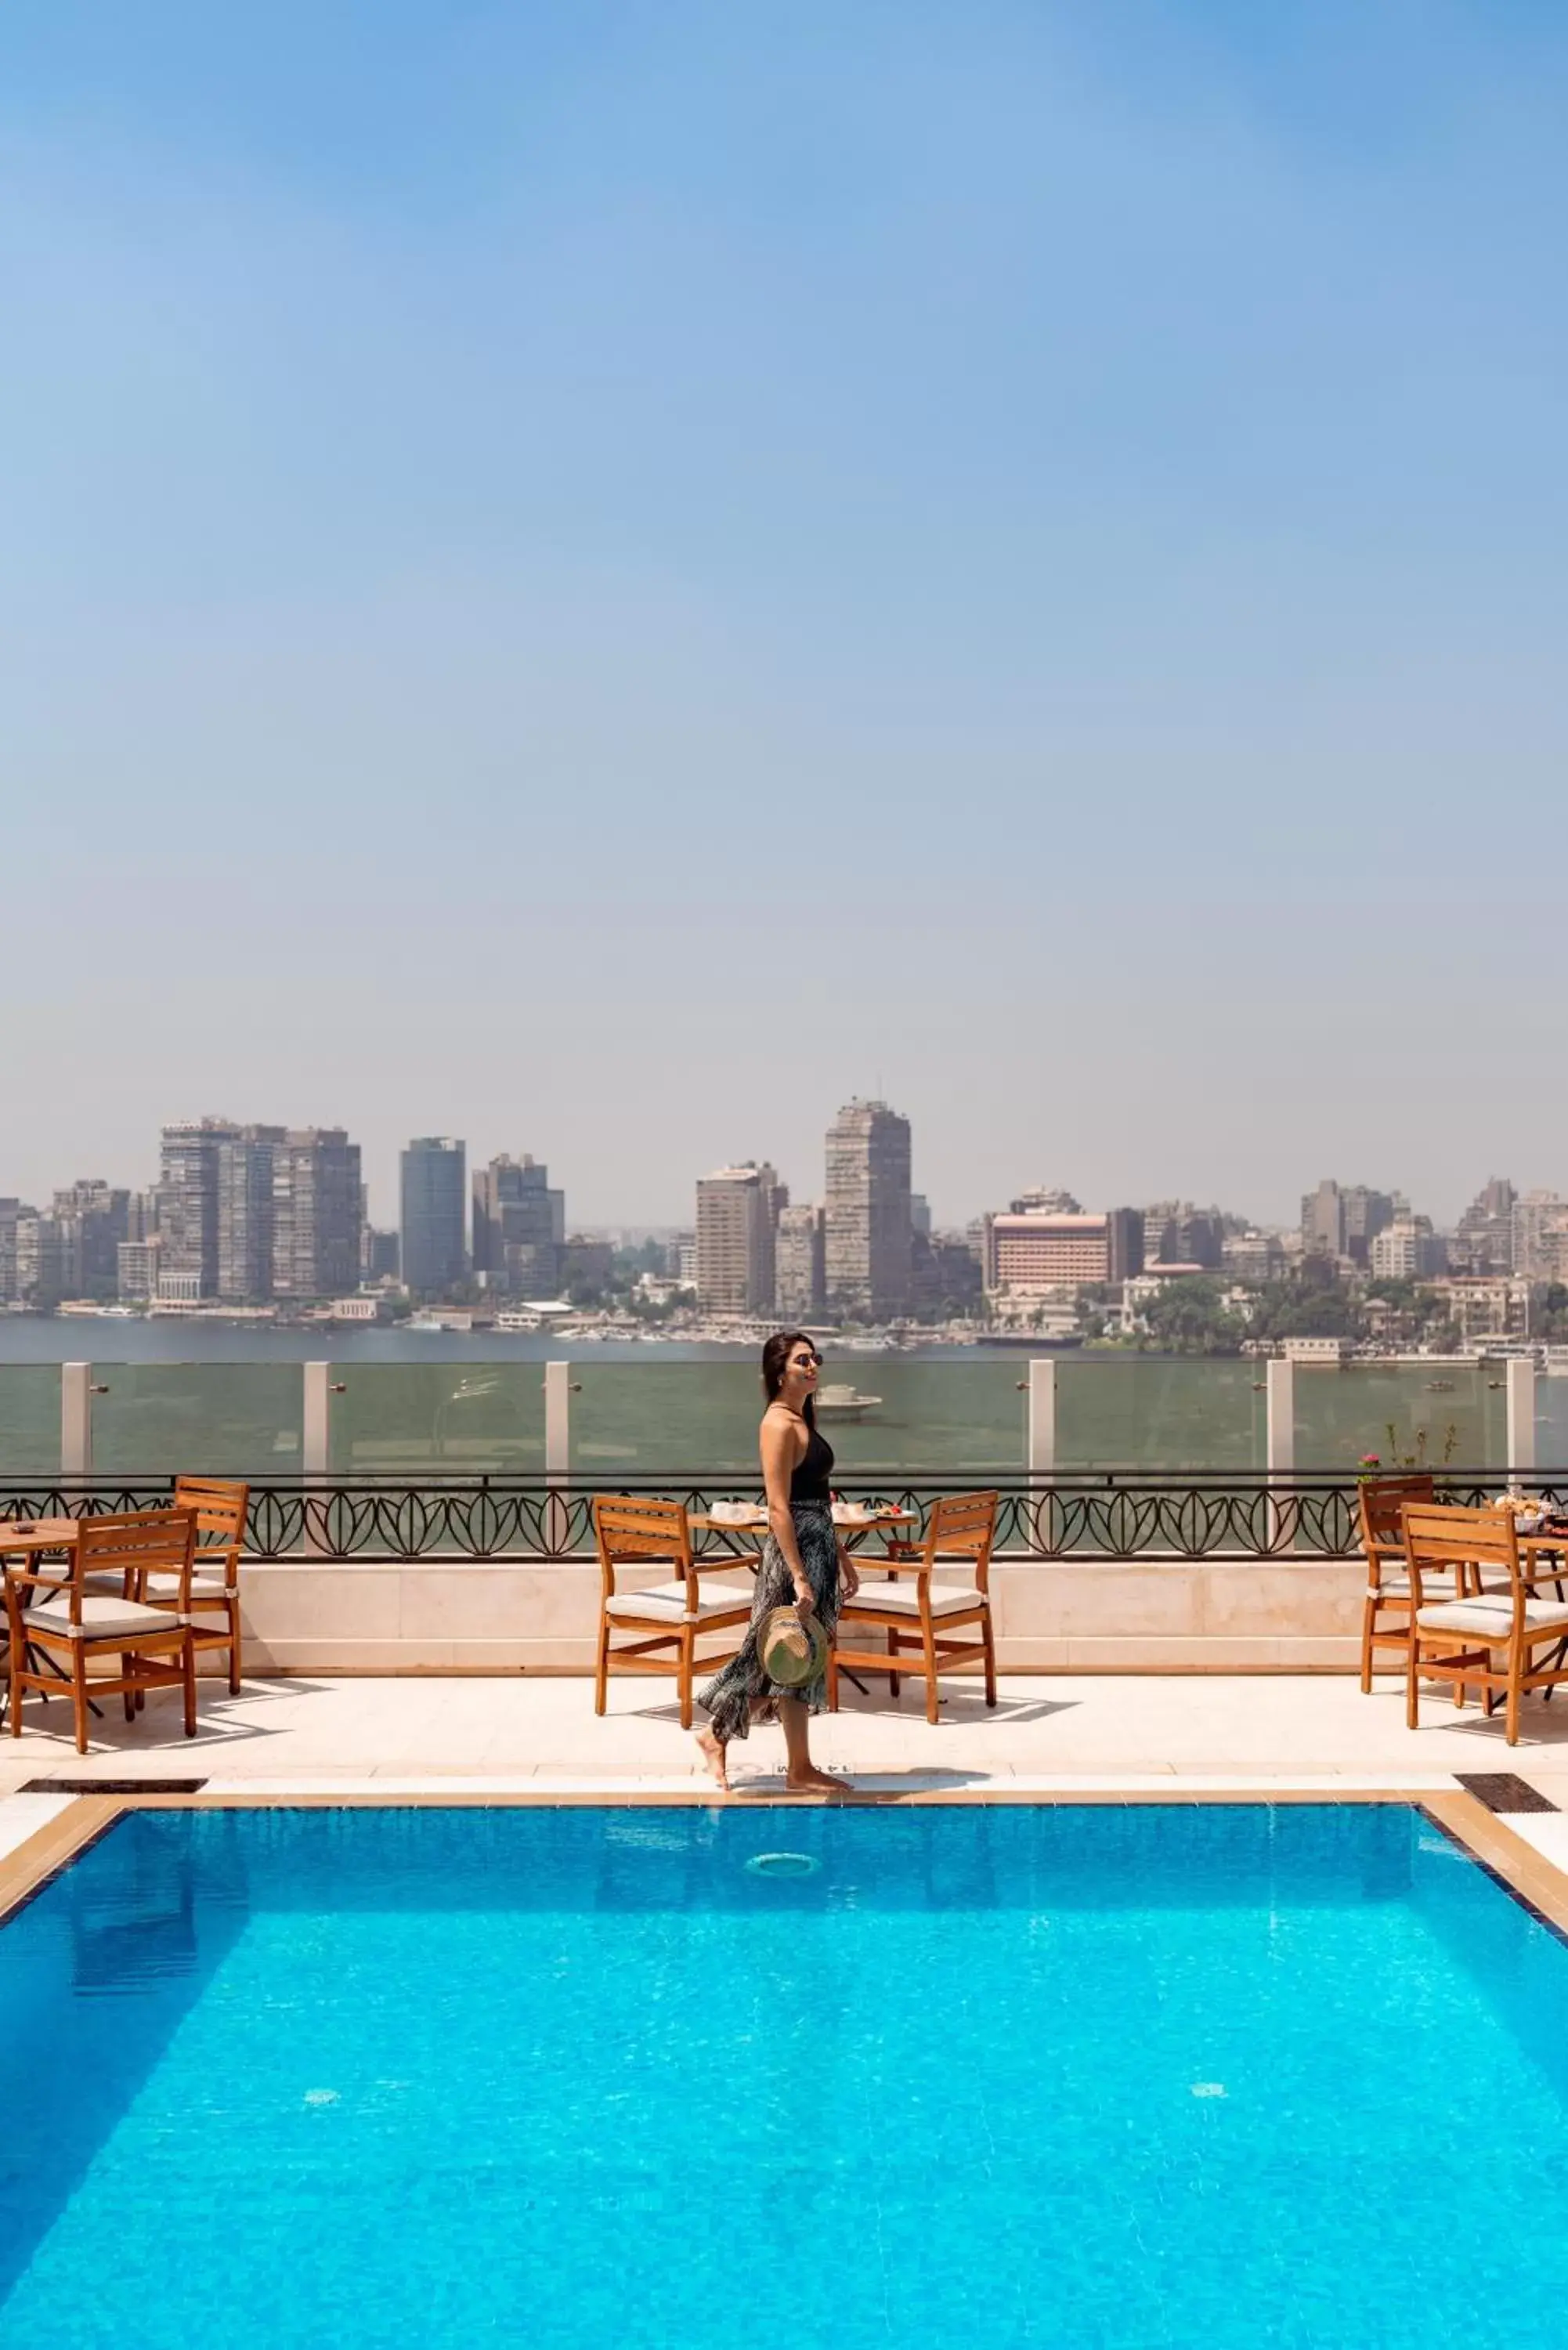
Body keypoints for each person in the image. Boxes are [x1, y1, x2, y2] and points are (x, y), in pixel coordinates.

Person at [695, 1330, 858, 1793]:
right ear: (779, 1371)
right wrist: (801, 1578)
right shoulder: (778, 1425)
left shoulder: (801, 1418)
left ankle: (797, 1767)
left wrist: (842, 1559)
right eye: (802, 1360)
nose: (813, 1367)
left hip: (818, 1545)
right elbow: (780, 1507)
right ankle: (717, 1735)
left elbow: (818, 1501)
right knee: (767, 1655)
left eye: (816, 1359)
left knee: (798, 1661)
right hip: (795, 1557)